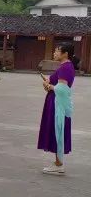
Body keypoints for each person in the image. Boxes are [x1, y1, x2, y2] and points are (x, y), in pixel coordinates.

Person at [38, 44, 78, 175]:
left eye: (57, 51)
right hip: (55, 101)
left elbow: (62, 89)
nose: (54, 53)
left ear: (65, 53)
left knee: (58, 130)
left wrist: (49, 86)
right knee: (56, 130)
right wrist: (48, 84)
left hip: (58, 104)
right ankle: (57, 162)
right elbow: (56, 84)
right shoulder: (64, 67)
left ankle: (59, 164)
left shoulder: (66, 67)